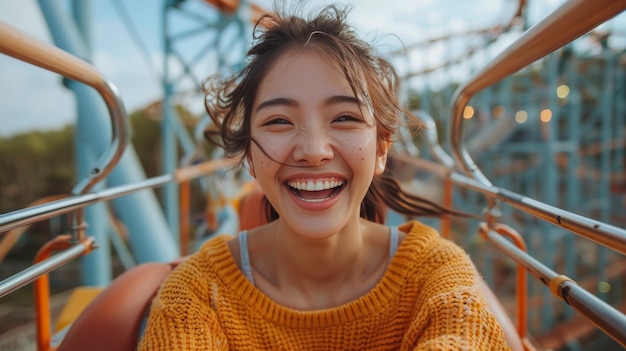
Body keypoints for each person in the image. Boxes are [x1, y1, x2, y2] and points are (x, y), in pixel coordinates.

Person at [137, 3, 511, 350]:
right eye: (279, 121)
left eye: (344, 118)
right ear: (248, 154)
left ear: (381, 149)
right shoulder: (198, 293)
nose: (314, 151)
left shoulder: (437, 276)